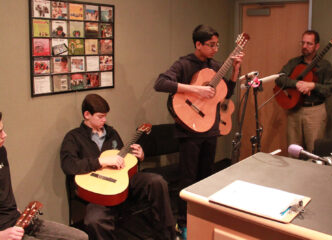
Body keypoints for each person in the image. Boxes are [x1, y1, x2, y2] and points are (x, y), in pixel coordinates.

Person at [153, 24, 244, 237]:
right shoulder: (184, 64)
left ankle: (203, 219)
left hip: (210, 129)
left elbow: (224, 93)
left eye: (217, 45)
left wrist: (236, 71)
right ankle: (183, 223)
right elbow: (160, 83)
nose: (215, 49)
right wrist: (195, 89)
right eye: (211, 45)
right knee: (188, 178)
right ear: (198, 44)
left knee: (206, 176)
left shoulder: (216, 66)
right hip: (189, 132)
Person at [60, 94, 175, 240]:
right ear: (87, 115)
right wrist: (102, 161)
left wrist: (138, 157)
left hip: (121, 181)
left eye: (105, 116)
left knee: (157, 182)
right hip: (98, 192)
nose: (104, 120)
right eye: (100, 117)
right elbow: (68, 165)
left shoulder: (111, 133)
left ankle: (167, 234)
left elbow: (123, 160)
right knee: (94, 220)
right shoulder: (73, 137)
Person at [0, 112, 88, 240]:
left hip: (15, 220)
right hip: (5, 232)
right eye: (0, 132)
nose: (5, 135)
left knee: (81, 237)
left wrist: (13, 209)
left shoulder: (2, 151)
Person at [275, 30, 332, 153]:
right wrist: (296, 84)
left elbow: (329, 90)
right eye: (303, 43)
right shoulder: (293, 63)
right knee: (293, 150)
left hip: (315, 112)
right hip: (294, 110)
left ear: (317, 46)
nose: (304, 46)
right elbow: (279, 79)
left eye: (309, 44)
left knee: (314, 150)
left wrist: (313, 85)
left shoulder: (325, 66)